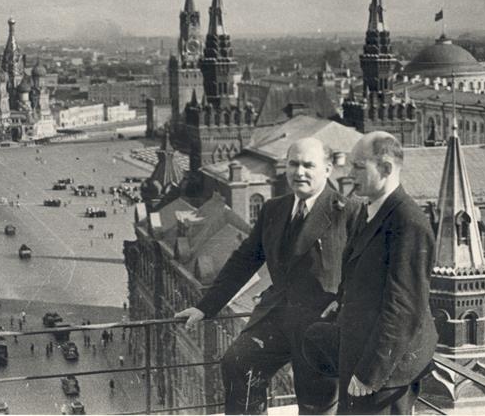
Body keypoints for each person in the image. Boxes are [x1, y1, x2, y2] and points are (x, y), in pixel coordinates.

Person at [175, 137, 361, 414]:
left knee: (315, 403)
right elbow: (244, 260)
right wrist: (205, 307)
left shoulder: (348, 212)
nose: (299, 172)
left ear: (327, 169)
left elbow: (364, 270)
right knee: (238, 362)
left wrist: (343, 303)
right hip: (276, 317)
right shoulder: (275, 208)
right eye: (293, 164)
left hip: (321, 324)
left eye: (308, 165)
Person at [303, 131, 437, 414]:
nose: (350, 174)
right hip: (359, 349)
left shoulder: (408, 222)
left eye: (359, 166)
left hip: (384, 372)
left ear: (386, 168)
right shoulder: (370, 210)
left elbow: (404, 308)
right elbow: (359, 271)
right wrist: (341, 300)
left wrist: (370, 374)